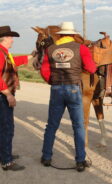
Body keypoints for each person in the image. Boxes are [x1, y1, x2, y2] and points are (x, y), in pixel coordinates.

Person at [40, 22, 96, 172]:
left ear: (60, 35)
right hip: (73, 89)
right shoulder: (81, 48)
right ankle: (80, 160)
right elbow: (91, 68)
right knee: (78, 126)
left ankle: (46, 157)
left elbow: (44, 70)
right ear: (72, 34)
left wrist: (52, 81)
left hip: (56, 89)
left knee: (51, 125)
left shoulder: (50, 49)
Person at [0, 25, 33, 171]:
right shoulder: (0, 54)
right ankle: (7, 161)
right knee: (7, 128)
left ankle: (4, 155)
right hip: (2, 95)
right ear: (5, 38)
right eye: (11, 37)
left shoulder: (5, 53)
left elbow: (15, 61)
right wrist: (8, 94)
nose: (12, 40)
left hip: (3, 94)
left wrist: (32, 55)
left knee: (4, 127)